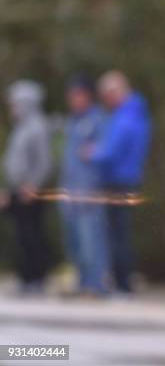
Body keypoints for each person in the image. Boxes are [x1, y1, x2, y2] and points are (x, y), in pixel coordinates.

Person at [84, 70, 151, 294]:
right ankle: (122, 281)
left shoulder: (126, 116)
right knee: (119, 232)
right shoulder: (134, 112)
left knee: (118, 234)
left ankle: (123, 283)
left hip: (119, 180)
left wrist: (92, 153)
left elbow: (112, 151)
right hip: (125, 179)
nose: (106, 100)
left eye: (107, 95)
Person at [0, 80, 53, 294]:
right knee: (22, 235)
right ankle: (26, 278)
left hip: (30, 191)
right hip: (18, 189)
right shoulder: (21, 128)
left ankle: (37, 278)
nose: (12, 108)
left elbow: (45, 162)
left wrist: (33, 185)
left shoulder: (37, 127)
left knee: (33, 234)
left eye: (15, 103)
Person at [60, 76, 109, 297]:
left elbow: (106, 153)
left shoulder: (98, 120)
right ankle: (82, 283)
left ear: (87, 96)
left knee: (92, 241)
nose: (73, 100)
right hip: (70, 193)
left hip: (90, 193)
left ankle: (96, 285)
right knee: (76, 243)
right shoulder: (72, 122)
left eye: (77, 95)